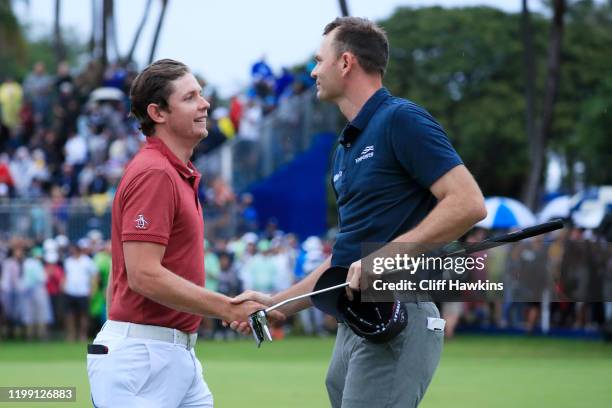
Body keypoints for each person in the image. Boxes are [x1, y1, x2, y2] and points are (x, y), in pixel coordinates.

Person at [229, 17, 486, 407]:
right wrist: (277, 304)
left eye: (319, 60)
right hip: (358, 322)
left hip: (399, 313)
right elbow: (344, 259)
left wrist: (383, 258)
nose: (313, 71)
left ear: (346, 62)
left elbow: (468, 203)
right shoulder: (347, 146)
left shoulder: (401, 119)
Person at [87, 59, 281, 408]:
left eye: (201, 94)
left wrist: (229, 308)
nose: (204, 103)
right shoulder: (155, 173)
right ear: (157, 113)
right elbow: (143, 275)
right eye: (190, 97)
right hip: (142, 360)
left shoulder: (173, 171)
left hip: (172, 355)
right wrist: (226, 307)